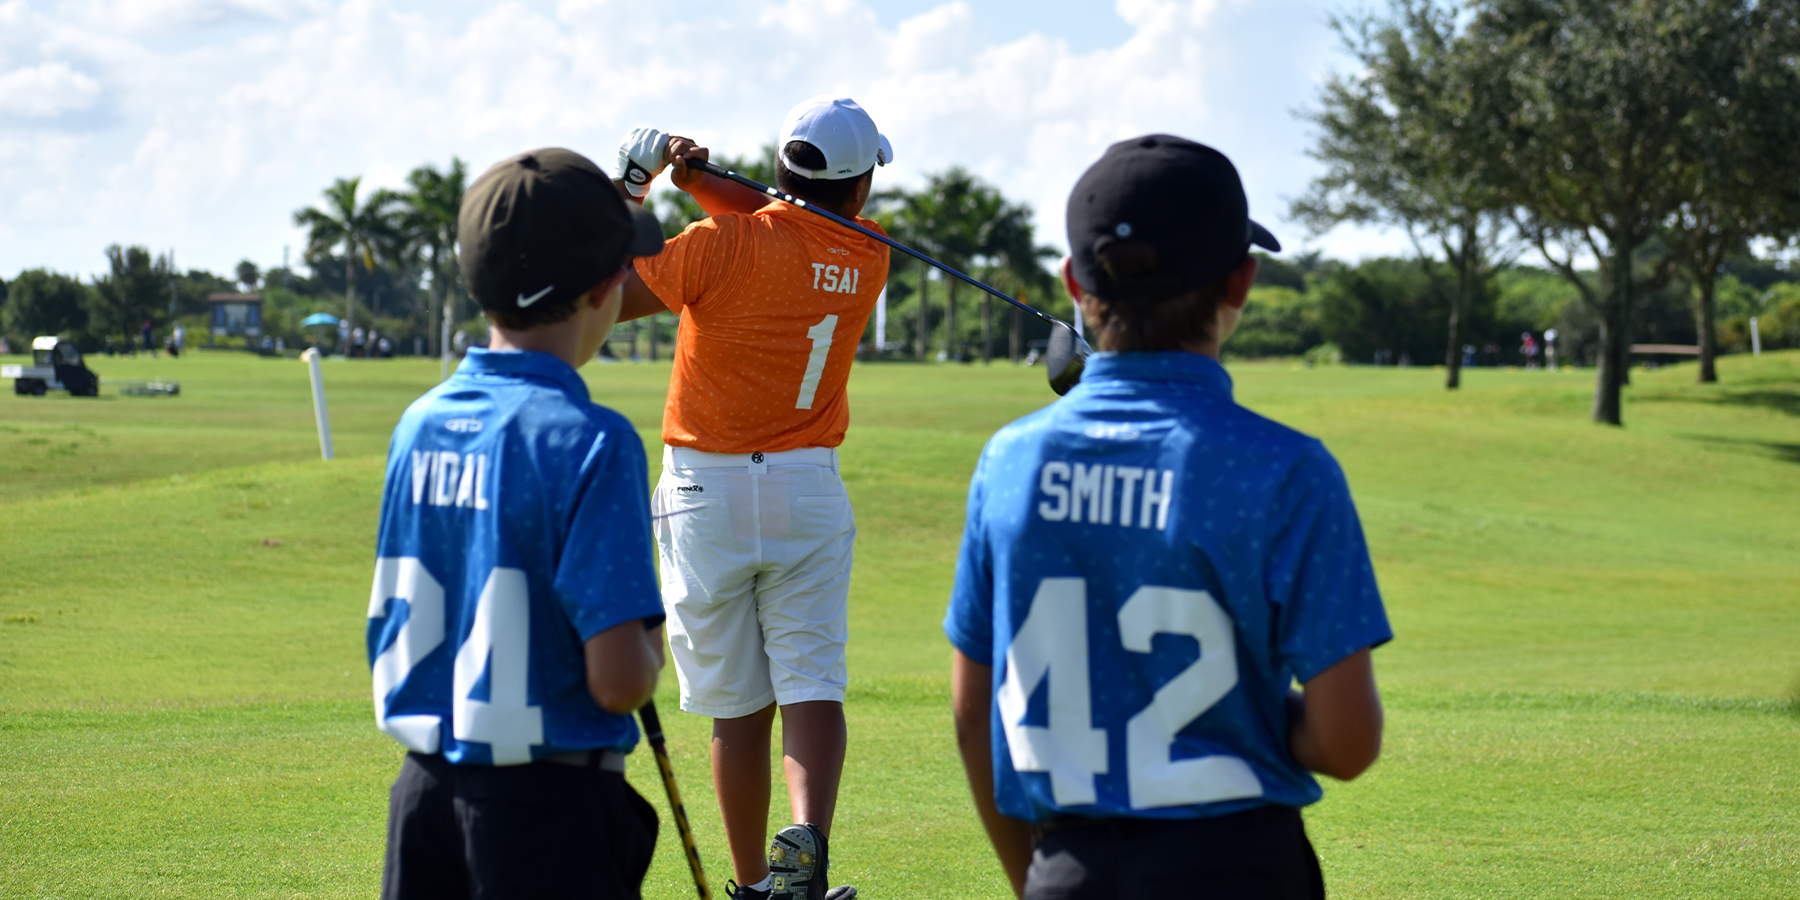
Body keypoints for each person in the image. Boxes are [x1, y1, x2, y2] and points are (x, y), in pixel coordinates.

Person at [945, 135, 1392, 900]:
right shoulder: (1287, 469)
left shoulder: (1007, 461)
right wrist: (1239, 700)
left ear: (1072, 283)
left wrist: (1039, 880)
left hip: (1067, 871)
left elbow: (972, 709)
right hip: (1239, 869)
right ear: (1241, 282)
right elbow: (1346, 742)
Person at [608, 95, 894, 900]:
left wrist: (636, 187)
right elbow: (793, 223)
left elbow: (609, 296)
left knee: (738, 710)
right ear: (861, 188)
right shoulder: (868, 251)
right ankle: (804, 864)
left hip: (706, 493)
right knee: (810, 685)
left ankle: (751, 886)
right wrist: (702, 184)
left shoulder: (719, 243)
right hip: (807, 487)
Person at [366, 147, 670, 900]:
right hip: (552, 817)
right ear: (607, 288)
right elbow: (619, 681)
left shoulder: (419, 423)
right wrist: (651, 648)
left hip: (423, 802)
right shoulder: (593, 438)